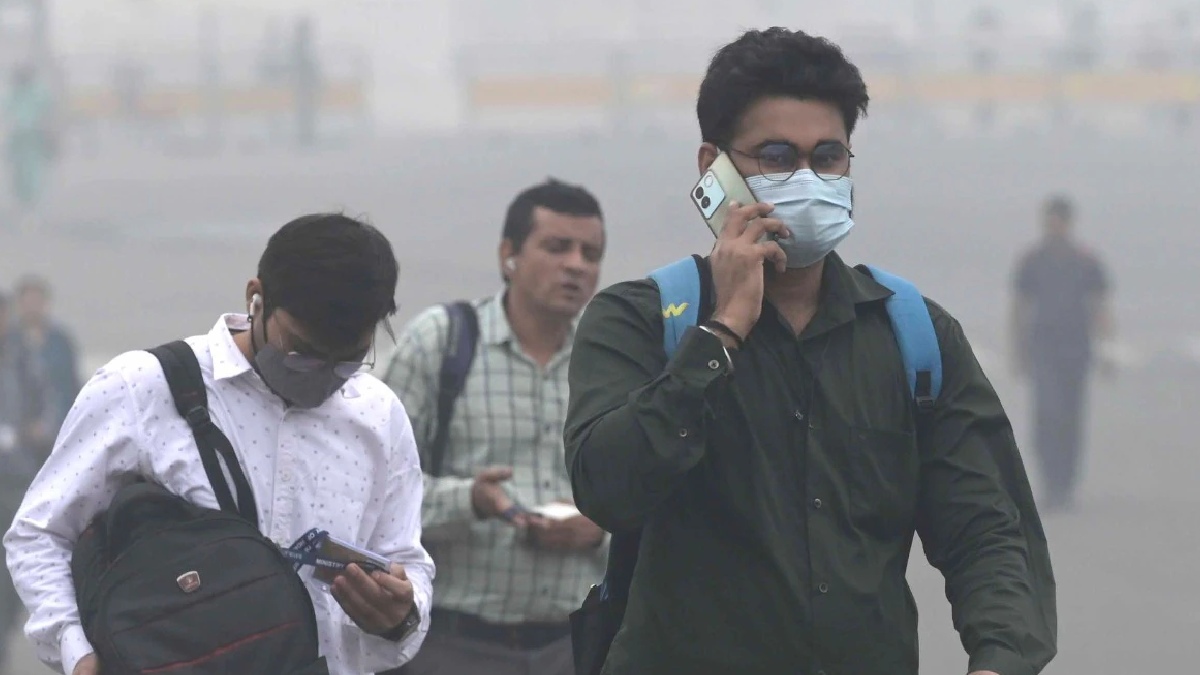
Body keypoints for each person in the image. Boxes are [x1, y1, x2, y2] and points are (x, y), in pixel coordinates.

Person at [564, 27, 1057, 675]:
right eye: (776, 156)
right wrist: (721, 333)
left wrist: (998, 658)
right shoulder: (640, 320)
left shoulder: (914, 335)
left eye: (828, 157)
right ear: (713, 167)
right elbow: (608, 490)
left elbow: (987, 529)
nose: (807, 177)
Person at [4, 214, 435, 675]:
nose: (322, 375)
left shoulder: (378, 416)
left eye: (347, 361)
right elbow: (40, 534)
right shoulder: (143, 388)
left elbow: (406, 559)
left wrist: (401, 617)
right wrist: (76, 651)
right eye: (300, 353)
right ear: (256, 297)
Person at [381, 179, 608, 675]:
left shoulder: (608, 366)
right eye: (557, 247)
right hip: (454, 643)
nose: (576, 265)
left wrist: (598, 532)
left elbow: (647, 503)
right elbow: (374, 493)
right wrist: (472, 500)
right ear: (509, 255)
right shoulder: (442, 343)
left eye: (590, 254)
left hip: (577, 645)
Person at [1011, 195, 1113, 512]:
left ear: (1068, 223)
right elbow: (1020, 307)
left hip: (1077, 350)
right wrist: (1018, 350)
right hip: (1043, 349)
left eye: (1059, 221)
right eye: (1050, 221)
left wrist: (1107, 350)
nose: (1054, 226)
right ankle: (1050, 483)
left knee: (1071, 418)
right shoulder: (1032, 260)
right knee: (1047, 415)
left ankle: (1066, 485)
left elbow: (1099, 306)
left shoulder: (1087, 260)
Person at [4, 274, 80, 469]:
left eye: (36, 302)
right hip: (19, 431)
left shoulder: (60, 341)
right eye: (27, 302)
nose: (32, 308)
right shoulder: (10, 341)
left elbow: (70, 383)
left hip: (59, 425)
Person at [4, 64, 55, 229]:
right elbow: (7, 115)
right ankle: (23, 210)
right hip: (17, 141)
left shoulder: (39, 93)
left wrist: (50, 134)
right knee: (18, 178)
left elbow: (49, 115)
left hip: (34, 140)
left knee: (32, 176)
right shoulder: (13, 93)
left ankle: (31, 212)